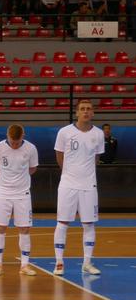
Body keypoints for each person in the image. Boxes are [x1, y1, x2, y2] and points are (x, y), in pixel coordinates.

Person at [53, 100, 105, 276]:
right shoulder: (64, 132)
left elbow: (96, 158)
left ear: (93, 113)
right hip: (68, 184)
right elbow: (59, 156)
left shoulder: (98, 134)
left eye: (89, 109)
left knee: (89, 224)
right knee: (62, 223)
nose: (86, 112)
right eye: (82, 109)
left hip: (89, 186)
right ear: (76, 112)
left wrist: (85, 175)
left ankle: (87, 263)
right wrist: (69, 174)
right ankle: (59, 263)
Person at [0, 124, 39, 276]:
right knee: (0, 227)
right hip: (3, 193)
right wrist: (5, 182)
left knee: (24, 229)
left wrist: (20, 181)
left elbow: (32, 168)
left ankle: (24, 265)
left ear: (23, 136)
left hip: (22, 193)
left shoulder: (31, 149)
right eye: (12, 141)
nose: (14, 144)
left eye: (17, 142)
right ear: (7, 136)